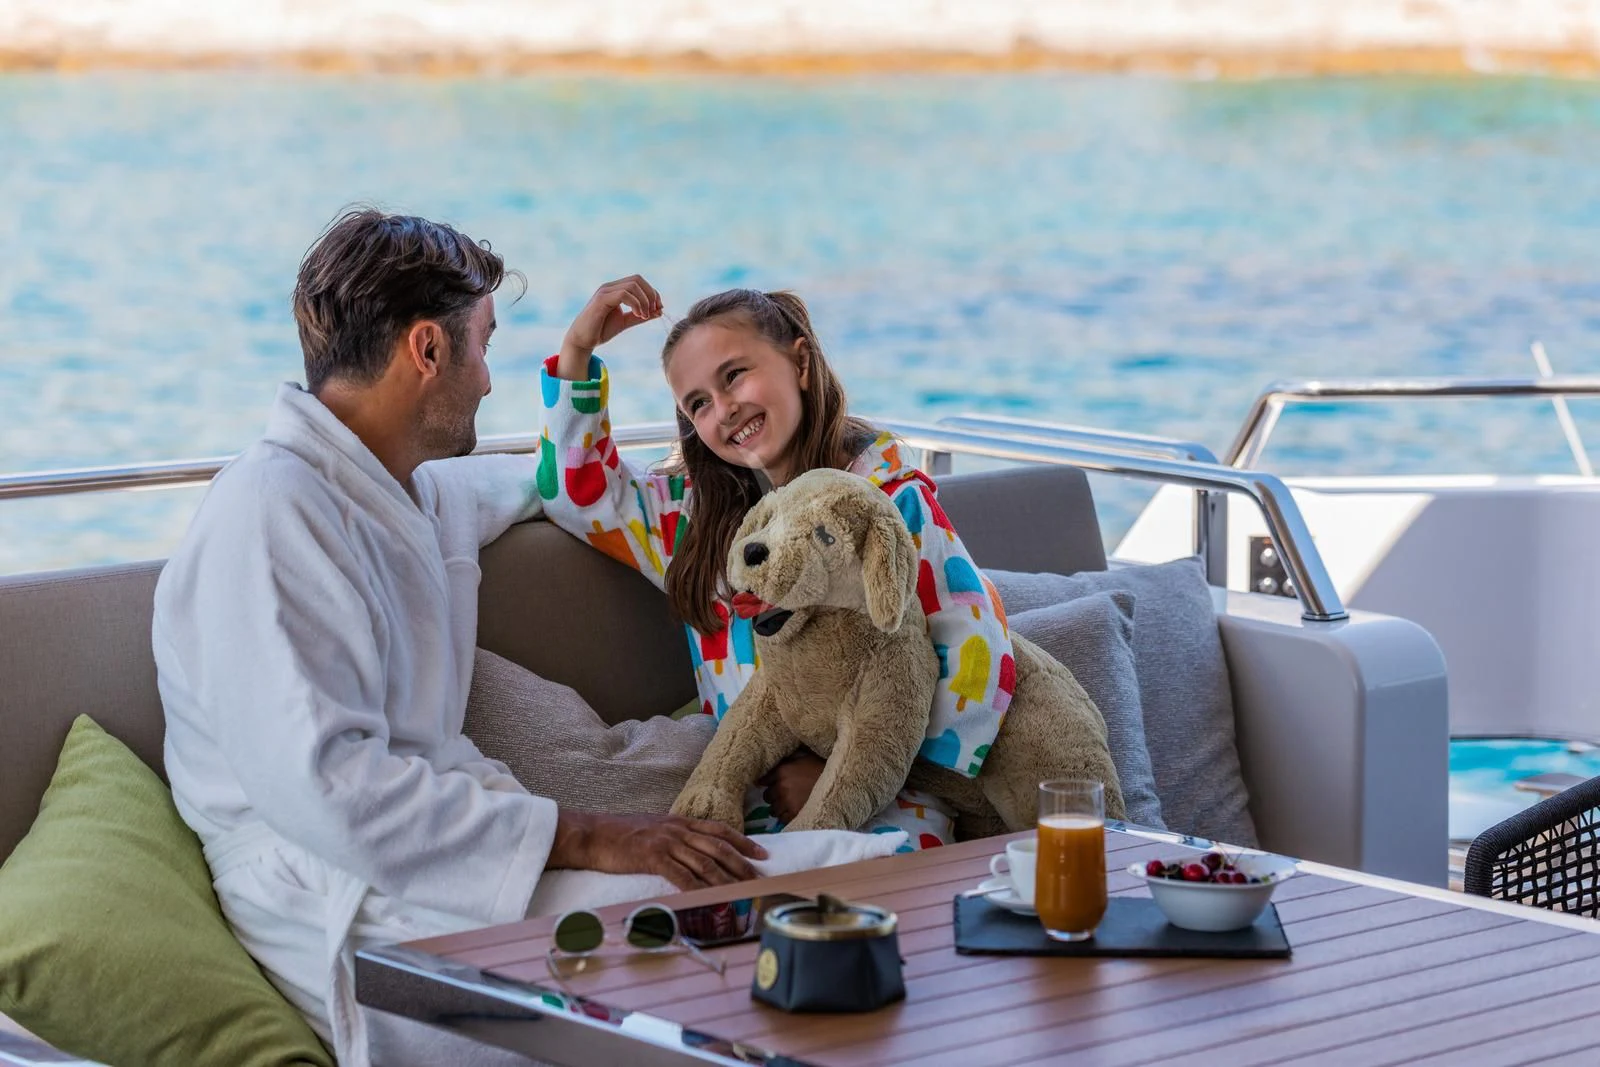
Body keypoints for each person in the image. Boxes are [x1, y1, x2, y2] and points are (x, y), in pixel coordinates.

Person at [151, 211, 770, 1066]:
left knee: (832, 875)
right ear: (426, 352)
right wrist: (592, 833)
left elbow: (553, 483)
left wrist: (593, 367)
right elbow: (329, 789)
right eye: (482, 345)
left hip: (479, 846)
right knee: (712, 978)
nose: (487, 381)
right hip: (349, 892)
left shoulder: (415, 488)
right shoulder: (266, 513)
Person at [537, 283, 1016, 849]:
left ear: (802, 362)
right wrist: (577, 349)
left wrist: (843, 774)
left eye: (734, 375)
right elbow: (576, 493)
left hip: (889, 801)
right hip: (743, 801)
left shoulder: (889, 505)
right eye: (698, 404)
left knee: (857, 898)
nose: (724, 408)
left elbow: (975, 661)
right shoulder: (695, 525)